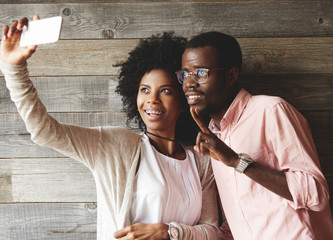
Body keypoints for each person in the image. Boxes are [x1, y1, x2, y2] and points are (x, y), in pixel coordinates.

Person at [0, 16, 219, 240]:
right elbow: (45, 132)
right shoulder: (113, 145)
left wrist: (168, 231)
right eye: (144, 89)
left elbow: (212, 231)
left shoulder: (201, 161)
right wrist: (14, 69)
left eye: (165, 91)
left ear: (183, 101)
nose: (151, 100)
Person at [176, 31, 333, 240]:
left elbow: (316, 194)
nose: (189, 83)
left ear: (231, 76)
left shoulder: (270, 110)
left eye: (200, 73)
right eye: (184, 74)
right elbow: (239, 223)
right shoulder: (214, 136)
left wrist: (236, 161)